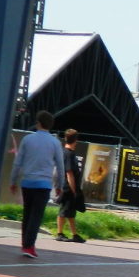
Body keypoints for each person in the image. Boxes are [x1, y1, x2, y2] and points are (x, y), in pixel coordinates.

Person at [9, 110, 65, 259]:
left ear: (38, 123)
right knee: (36, 216)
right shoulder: (55, 143)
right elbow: (60, 166)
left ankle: (25, 244)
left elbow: (18, 163)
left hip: (27, 183)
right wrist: (60, 185)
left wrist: (13, 181)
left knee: (27, 214)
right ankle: (29, 246)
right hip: (44, 184)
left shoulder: (27, 139)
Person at [54, 129, 86, 243]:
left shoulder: (66, 152)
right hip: (68, 188)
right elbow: (69, 173)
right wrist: (74, 191)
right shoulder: (69, 154)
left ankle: (75, 234)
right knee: (64, 211)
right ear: (75, 140)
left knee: (70, 212)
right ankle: (59, 233)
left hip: (68, 187)